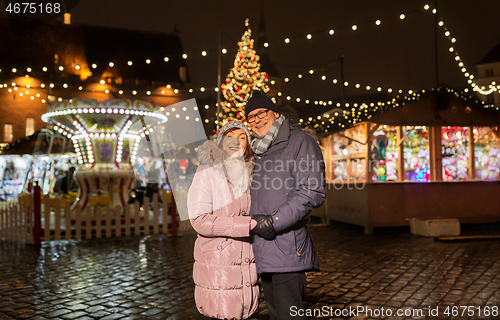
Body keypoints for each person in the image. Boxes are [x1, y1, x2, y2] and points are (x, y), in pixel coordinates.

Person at [245, 90, 326, 320]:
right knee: (275, 314)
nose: (257, 119)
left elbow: (312, 190)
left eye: (262, 113)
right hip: (262, 250)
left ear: (275, 113)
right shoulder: (258, 151)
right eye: (251, 117)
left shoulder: (300, 141)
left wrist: (275, 221)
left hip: (287, 248)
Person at [187, 121, 259, 320]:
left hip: (245, 259)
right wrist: (245, 225)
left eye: (242, 138)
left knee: (244, 311)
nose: (236, 142)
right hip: (218, 262)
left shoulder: (251, 174)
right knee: (223, 312)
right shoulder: (207, 172)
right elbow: (199, 219)